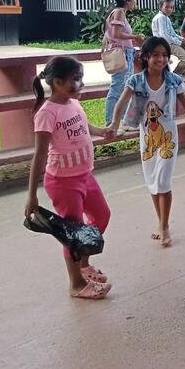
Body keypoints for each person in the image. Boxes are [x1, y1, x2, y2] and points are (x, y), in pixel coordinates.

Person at [25, 56, 114, 299]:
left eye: (80, 78)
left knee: (101, 215)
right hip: (63, 182)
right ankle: (76, 284)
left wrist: (102, 131)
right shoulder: (46, 113)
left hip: (84, 175)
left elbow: (85, 128)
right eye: (75, 79)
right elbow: (39, 155)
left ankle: (82, 265)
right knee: (72, 233)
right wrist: (32, 195)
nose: (80, 84)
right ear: (57, 82)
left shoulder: (73, 103)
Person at [109, 37, 185, 247]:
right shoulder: (136, 80)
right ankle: (160, 222)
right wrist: (113, 125)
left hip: (168, 138)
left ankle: (164, 226)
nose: (161, 59)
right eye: (155, 55)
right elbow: (120, 103)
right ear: (146, 57)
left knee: (163, 180)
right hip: (147, 139)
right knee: (153, 182)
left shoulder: (174, 81)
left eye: (164, 55)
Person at [104, 0, 145, 125]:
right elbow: (116, 34)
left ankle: (121, 120)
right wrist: (135, 37)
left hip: (125, 53)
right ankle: (111, 121)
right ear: (128, 0)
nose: (135, 1)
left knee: (124, 87)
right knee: (117, 88)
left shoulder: (117, 12)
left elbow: (113, 35)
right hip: (122, 54)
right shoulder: (119, 12)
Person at [151, 0, 185, 75]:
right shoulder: (160, 18)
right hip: (165, 44)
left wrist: (183, 39)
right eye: (166, 7)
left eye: (171, 7)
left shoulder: (166, 18)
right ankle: (175, 74)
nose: (169, 9)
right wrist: (179, 43)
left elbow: (173, 33)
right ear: (160, 7)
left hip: (173, 42)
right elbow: (165, 36)